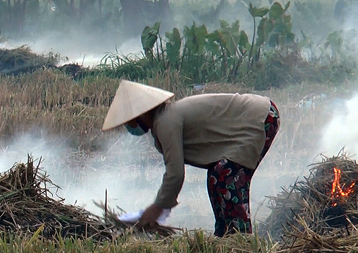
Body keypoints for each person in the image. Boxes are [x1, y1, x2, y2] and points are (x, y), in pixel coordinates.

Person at [102, 80, 280, 237]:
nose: (128, 126)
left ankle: (241, 241)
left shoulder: (166, 122)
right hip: (261, 114)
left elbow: (175, 174)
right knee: (217, 178)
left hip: (260, 117)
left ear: (139, 115)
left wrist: (157, 208)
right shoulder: (166, 119)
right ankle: (225, 236)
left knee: (226, 178)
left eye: (128, 121)